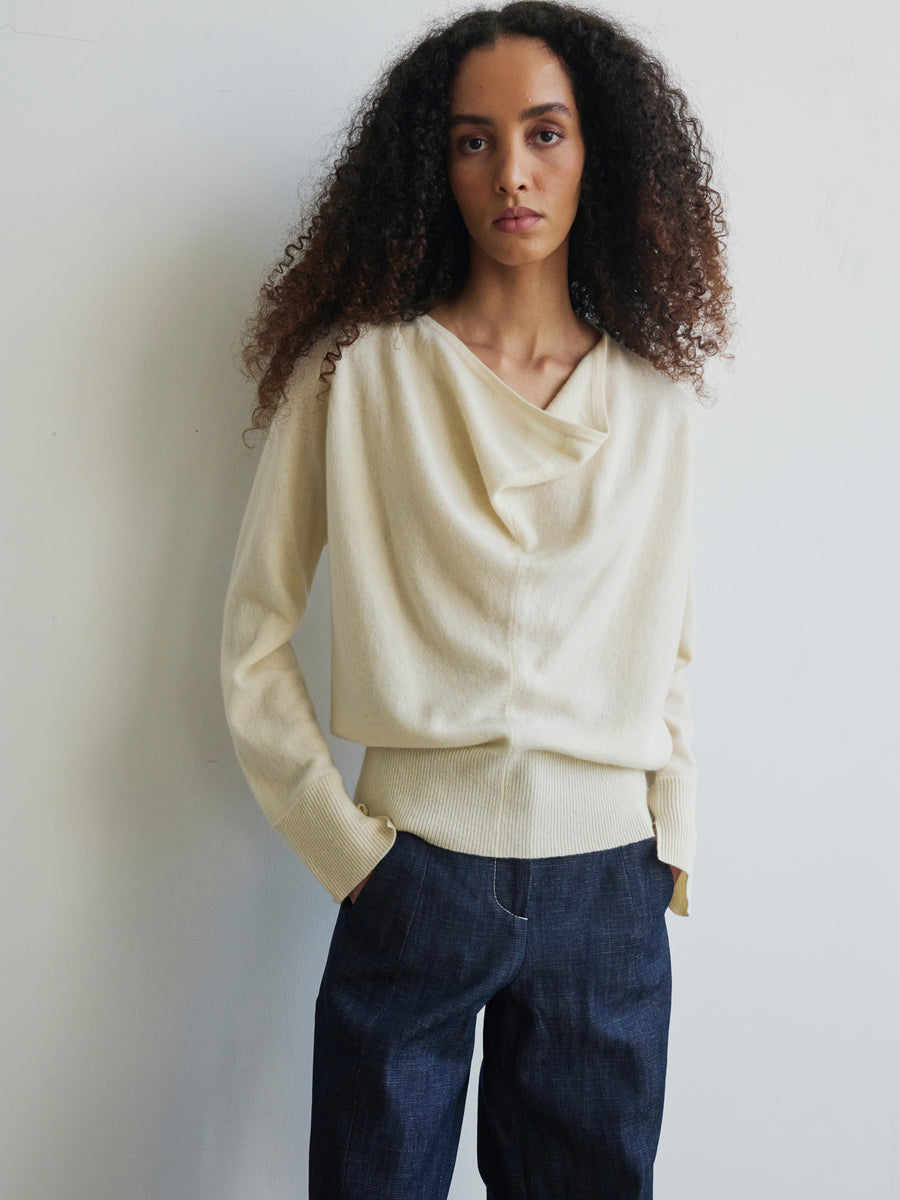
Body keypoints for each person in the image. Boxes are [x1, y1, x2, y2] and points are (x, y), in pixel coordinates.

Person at [220, 2, 733, 1196]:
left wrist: (672, 842)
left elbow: (674, 648)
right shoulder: (356, 374)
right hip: (415, 873)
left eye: (546, 133)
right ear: (429, 162)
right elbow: (253, 634)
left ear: (599, 150)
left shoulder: (656, 402)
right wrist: (347, 851)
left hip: (612, 885)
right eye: (473, 140)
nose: (513, 171)